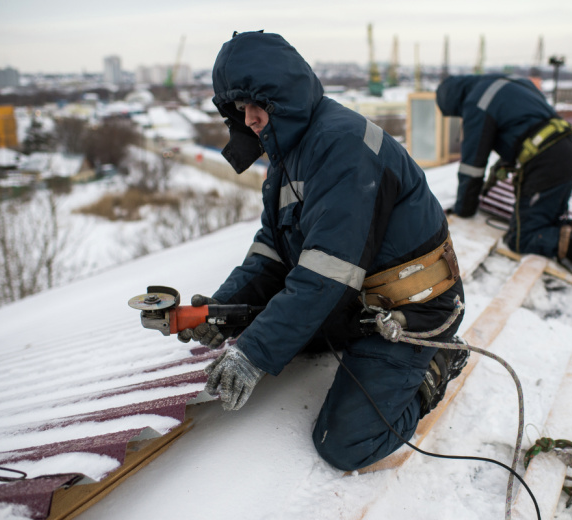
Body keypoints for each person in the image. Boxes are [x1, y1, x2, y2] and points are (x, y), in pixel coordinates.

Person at [178, 31, 468, 472]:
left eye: (262, 106)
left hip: (410, 309)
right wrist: (224, 306)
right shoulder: (287, 156)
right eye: (241, 110)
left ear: (288, 98)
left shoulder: (342, 147)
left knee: (346, 443)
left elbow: (325, 274)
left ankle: (438, 363)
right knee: (263, 327)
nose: (252, 119)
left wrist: (253, 354)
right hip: (354, 302)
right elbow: (273, 250)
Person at [436, 74, 572, 285]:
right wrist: (506, 160)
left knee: (521, 238)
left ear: (454, 102)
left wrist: (464, 209)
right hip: (569, 149)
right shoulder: (511, 83)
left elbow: (472, 167)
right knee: (548, 222)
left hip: (547, 161)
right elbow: (525, 125)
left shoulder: (476, 103)